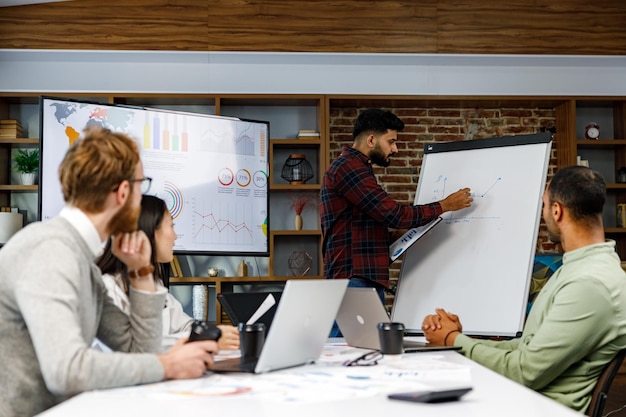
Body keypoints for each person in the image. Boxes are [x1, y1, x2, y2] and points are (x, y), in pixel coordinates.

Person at [0, 127, 217, 417]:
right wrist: (167, 365)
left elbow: (138, 351)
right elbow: (66, 371)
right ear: (124, 192)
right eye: (143, 185)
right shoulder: (50, 250)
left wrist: (141, 273)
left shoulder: (80, 260)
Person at [422, 165, 626, 412]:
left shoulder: (589, 284)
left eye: (543, 205)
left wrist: (451, 338)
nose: (543, 214)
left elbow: (524, 371)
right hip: (523, 400)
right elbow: (525, 348)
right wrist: (458, 340)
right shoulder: (578, 268)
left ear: (557, 210)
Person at [320, 108, 473, 301]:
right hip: (353, 280)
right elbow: (394, 215)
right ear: (371, 140)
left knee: (362, 333)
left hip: (356, 279)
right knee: (347, 333)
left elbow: (360, 226)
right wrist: (445, 205)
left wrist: (400, 236)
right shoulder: (349, 168)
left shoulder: (355, 168)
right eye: (391, 141)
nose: (395, 149)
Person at [97, 195, 239, 351]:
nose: (175, 235)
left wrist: (213, 333)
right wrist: (203, 339)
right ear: (150, 231)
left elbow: (183, 325)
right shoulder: (109, 288)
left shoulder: (154, 283)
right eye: (171, 226)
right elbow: (135, 347)